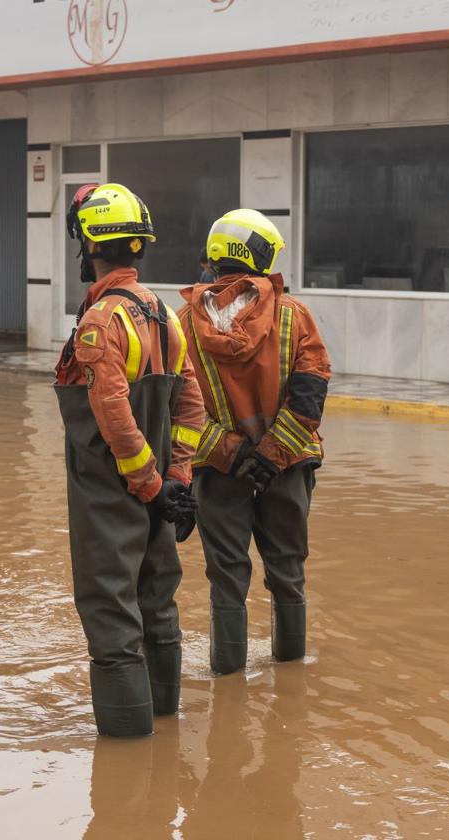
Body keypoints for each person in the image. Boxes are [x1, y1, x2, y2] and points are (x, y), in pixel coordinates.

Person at [55, 182, 206, 737]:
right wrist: (177, 477)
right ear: (137, 246)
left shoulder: (101, 322)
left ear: (90, 246)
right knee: (158, 600)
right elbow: (191, 401)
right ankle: (164, 727)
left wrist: (147, 482)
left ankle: (127, 751)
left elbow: (112, 410)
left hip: (111, 493)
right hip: (159, 492)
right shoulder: (165, 315)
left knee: (111, 611)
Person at [180, 209, 331, 674]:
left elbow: (178, 410)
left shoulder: (182, 322)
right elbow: (310, 393)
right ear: (261, 254)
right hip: (286, 470)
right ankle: (290, 679)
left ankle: (228, 682)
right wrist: (271, 455)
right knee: (288, 576)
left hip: (218, 474)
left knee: (227, 582)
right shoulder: (293, 316)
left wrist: (234, 454)